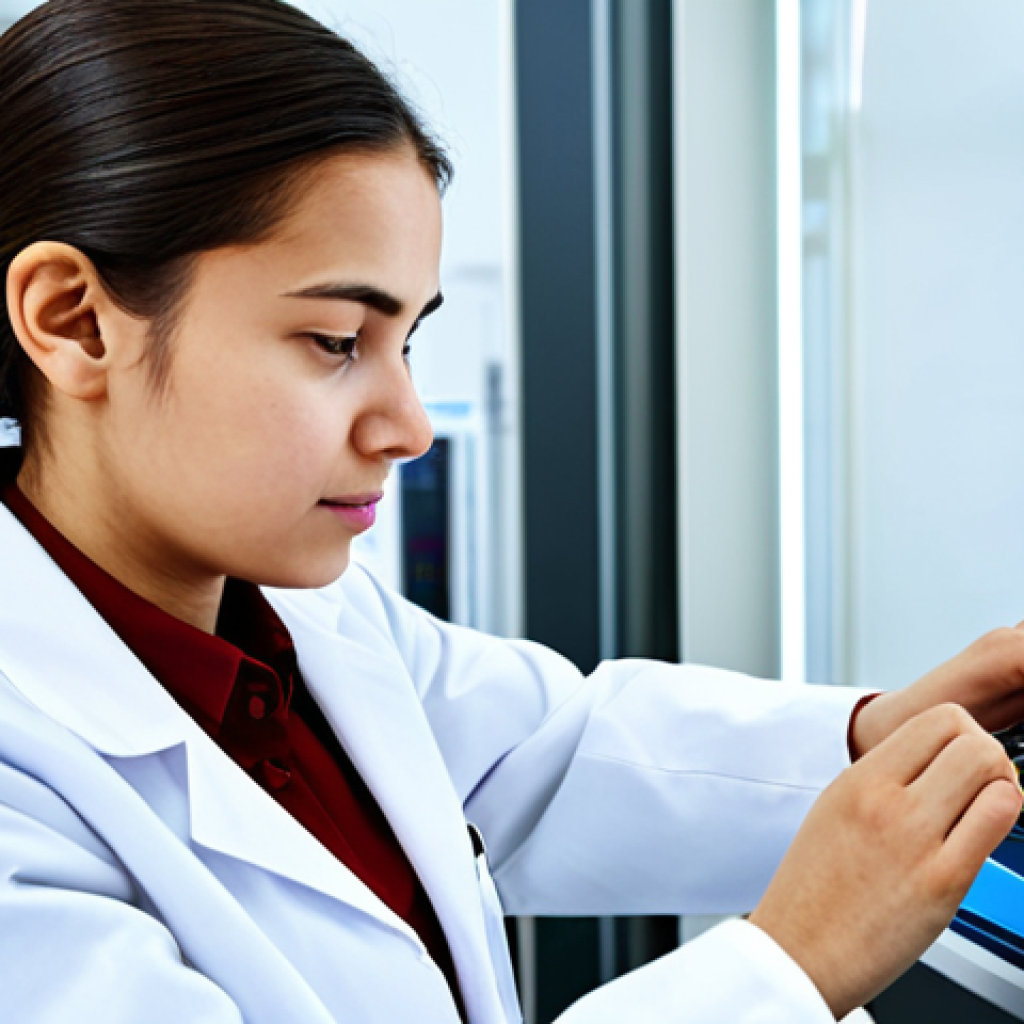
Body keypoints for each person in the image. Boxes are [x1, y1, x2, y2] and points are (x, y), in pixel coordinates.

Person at [0, 1, 1022, 1022]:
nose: (409, 427)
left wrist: (883, 736)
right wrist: (789, 966)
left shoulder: (301, 621)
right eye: (336, 341)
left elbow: (550, 757)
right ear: (74, 321)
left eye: (406, 342)